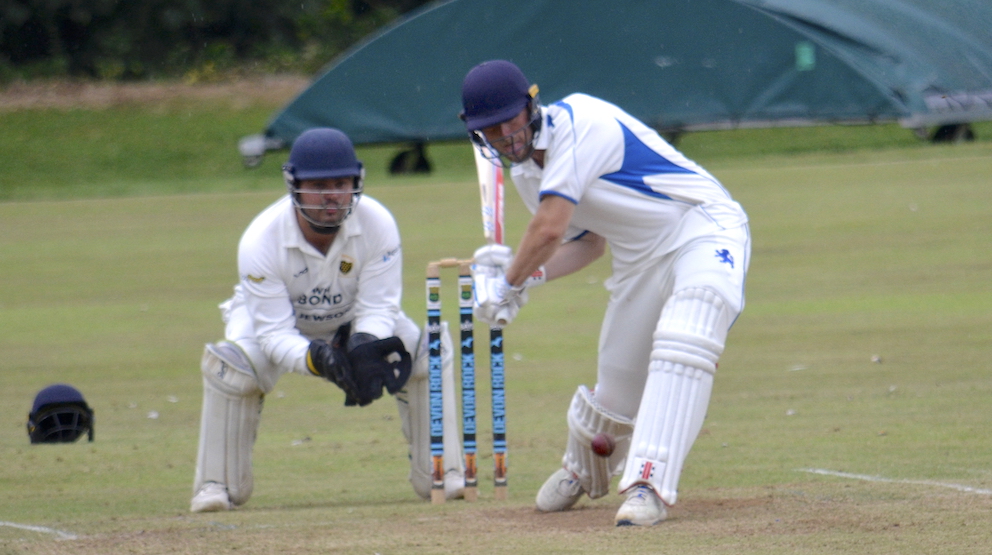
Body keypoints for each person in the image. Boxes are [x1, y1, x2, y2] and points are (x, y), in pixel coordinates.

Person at [460, 60, 750, 526]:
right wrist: (523, 281)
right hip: (639, 262)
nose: (504, 137)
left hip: (702, 227)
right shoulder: (526, 176)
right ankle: (583, 468)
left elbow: (549, 229)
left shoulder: (582, 122)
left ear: (531, 107)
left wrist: (507, 281)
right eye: (490, 130)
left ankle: (648, 484)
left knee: (685, 337)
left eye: (510, 122)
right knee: (616, 390)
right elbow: (588, 244)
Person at [190, 128, 464, 512]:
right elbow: (273, 333)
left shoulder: (378, 223)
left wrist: (365, 345)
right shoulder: (260, 239)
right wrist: (317, 359)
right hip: (274, 321)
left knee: (425, 354)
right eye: (319, 185)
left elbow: (379, 308)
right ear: (294, 185)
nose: (332, 195)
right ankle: (216, 484)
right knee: (232, 369)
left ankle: (443, 472)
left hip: (352, 318)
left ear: (356, 181)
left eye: (340, 184)